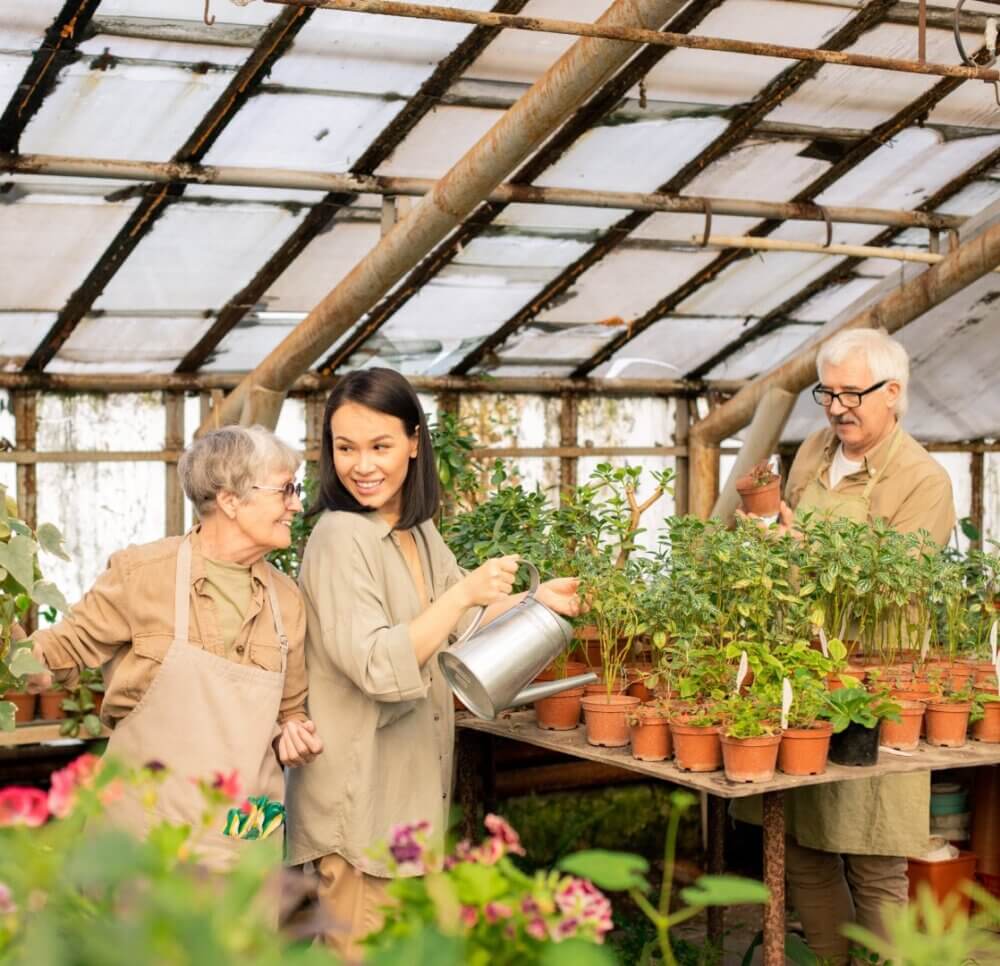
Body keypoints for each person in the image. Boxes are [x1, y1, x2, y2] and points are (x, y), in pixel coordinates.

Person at [285, 368, 581, 959]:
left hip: (405, 797)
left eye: (380, 446)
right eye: (345, 448)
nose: (361, 465)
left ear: (415, 441)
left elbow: (460, 629)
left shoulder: (415, 532)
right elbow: (376, 662)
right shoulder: (340, 537)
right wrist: (461, 594)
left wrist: (534, 602)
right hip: (360, 804)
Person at [26, 426, 324, 869]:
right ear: (230, 500)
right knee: (152, 936)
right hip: (147, 839)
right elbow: (51, 659)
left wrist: (295, 732)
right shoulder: (142, 574)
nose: (296, 504)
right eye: (286, 490)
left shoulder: (287, 599)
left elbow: (290, 711)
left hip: (247, 836)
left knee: (241, 938)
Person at [779, 328, 955, 963]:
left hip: (873, 685)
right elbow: (790, 529)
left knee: (875, 856)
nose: (837, 407)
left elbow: (897, 582)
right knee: (802, 851)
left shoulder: (923, 480)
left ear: (894, 393)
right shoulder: (812, 454)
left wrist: (808, 549)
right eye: (828, 392)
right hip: (801, 669)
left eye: (853, 393)